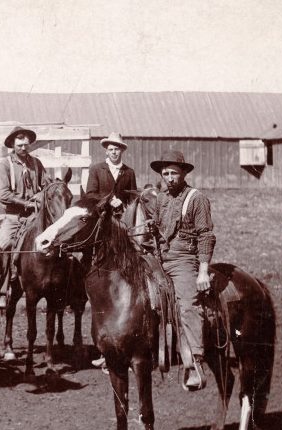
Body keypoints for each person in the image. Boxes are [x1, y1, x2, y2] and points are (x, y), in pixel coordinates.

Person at [151, 151, 215, 391]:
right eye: (165, 173)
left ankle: (195, 362)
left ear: (184, 173)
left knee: (188, 303)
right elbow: (156, 231)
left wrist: (203, 270)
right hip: (159, 258)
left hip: (184, 259)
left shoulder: (196, 199)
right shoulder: (160, 198)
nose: (169, 178)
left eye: (173, 173)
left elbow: (206, 235)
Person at [82, 132, 139, 370]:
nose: (114, 152)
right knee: (88, 255)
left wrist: (125, 205)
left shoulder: (128, 172)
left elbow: (134, 195)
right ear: (106, 150)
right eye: (111, 149)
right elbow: (90, 195)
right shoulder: (97, 169)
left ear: (122, 151)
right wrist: (109, 200)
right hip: (101, 222)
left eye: (118, 149)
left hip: (122, 223)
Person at [0, 127, 48, 309]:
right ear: (12, 145)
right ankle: (1, 289)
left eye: (26, 145)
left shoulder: (36, 164)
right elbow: (3, 194)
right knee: (4, 245)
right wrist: (26, 203)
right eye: (20, 145)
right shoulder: (5, 165)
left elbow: (46, 185)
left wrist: (45, 194)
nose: (24, 148)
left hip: (35, 216)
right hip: (14, 216)